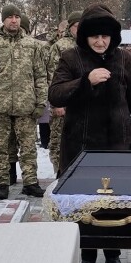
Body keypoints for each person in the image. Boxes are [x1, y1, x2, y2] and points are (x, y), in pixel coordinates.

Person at [48, 4, 131, 263]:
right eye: (94, 36)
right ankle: (87, 254)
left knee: (113, 202)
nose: (100, 41)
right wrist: (86, 81)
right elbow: (56, 95)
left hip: (116, 145)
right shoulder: (71, 57)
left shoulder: (123, 59)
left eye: (104, 36)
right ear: (84, 36)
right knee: (83, 201)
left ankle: (113, 253)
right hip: (81, 147)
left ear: (112, 37)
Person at [0, 4, 48, 200]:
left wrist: (41, 102)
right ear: (4, 20)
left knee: (28, 148)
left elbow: (41, 75)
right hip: (0, 108)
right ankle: (2, 183)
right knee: (0, 148)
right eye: (10, 17)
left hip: (26, 108)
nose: (14, 20)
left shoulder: (32, 45)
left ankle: (31, 183)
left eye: (17, 17)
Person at [44, 11, 81, 177]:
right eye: (77, 26)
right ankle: (60, 175)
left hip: (82, 104)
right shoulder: (60, 46)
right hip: (63, 105)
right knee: (59, 142)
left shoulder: (90, 44)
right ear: (70, 27)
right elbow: (51, 76)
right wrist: (56, 104)